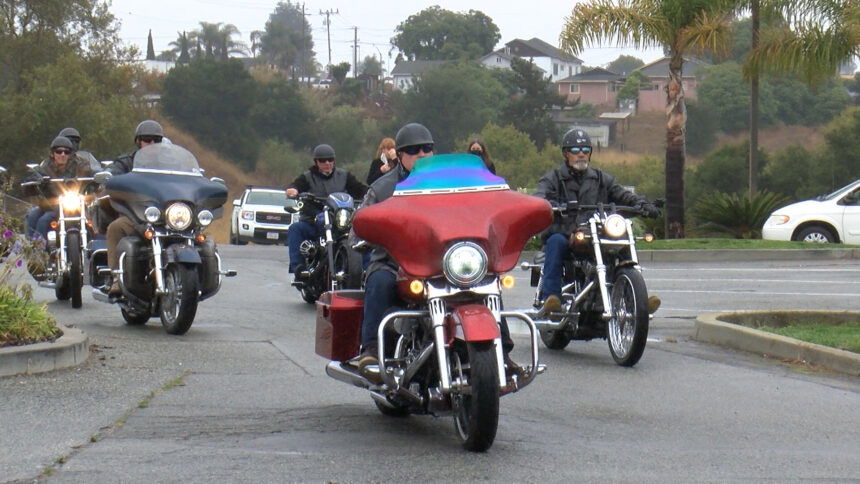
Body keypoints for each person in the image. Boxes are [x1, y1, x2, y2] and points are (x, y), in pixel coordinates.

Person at [353, 123, 521, 379]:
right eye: (413, 150)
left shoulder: (451, 183)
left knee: (487, 283)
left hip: (444, 263)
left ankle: (502, 352)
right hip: (395, 263)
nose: (421, 154)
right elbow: (359, 225)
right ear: (400, 155)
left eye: (426, 149)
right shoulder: (383, 188)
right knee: (379, 280)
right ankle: (371, 350)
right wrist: (365, 235)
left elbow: (474, 210)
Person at [533, 128, 661, 314]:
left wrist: (643, 204)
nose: (581, 155)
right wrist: (547, 204)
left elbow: (623, 195)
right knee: (555, 242)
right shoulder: (553, 178)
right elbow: (539, 195)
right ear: (565, 154)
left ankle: (636, 299)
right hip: (565, 232)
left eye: (585, 150)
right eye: (576, 151)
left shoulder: (601, 179)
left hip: (595, 233)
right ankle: (551, 299)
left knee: (621, 242)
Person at [286, 143, 367, 274]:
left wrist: (371, 194)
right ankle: (299, 268)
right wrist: (293, 190)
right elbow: (296, 186)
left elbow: (360, 189)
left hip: (340, 221)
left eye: (330, 160)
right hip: (314, 220)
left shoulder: (344, 176)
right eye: (323, 160)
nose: (327, 163)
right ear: (316, 162)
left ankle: (366, 270)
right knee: (295, 229)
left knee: (362, 235)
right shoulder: (307, 177)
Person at [105, 120, 165, 296]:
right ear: (138, 141)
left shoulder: (168, 164)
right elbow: (113, 170)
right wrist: (110, 174)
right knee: (115, 227)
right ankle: (116, 276)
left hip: (166, 218)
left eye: (156, 140)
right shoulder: (127, 162)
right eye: (147, 139)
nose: (152, 144)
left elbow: (188, 176)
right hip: (136, 216)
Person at [24, 136, 97, 240]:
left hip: (75, 204)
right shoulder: (45, 167)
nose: (63, 154)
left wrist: (99, 176)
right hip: (51, 205)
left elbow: (91, 172)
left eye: (66, 152)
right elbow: (34, 173)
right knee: (32, 216)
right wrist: (33, 178)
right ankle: (35, 251)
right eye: (59, 151)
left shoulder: (80, 165)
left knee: (44, 220)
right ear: (52, 153)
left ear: (70, 154)